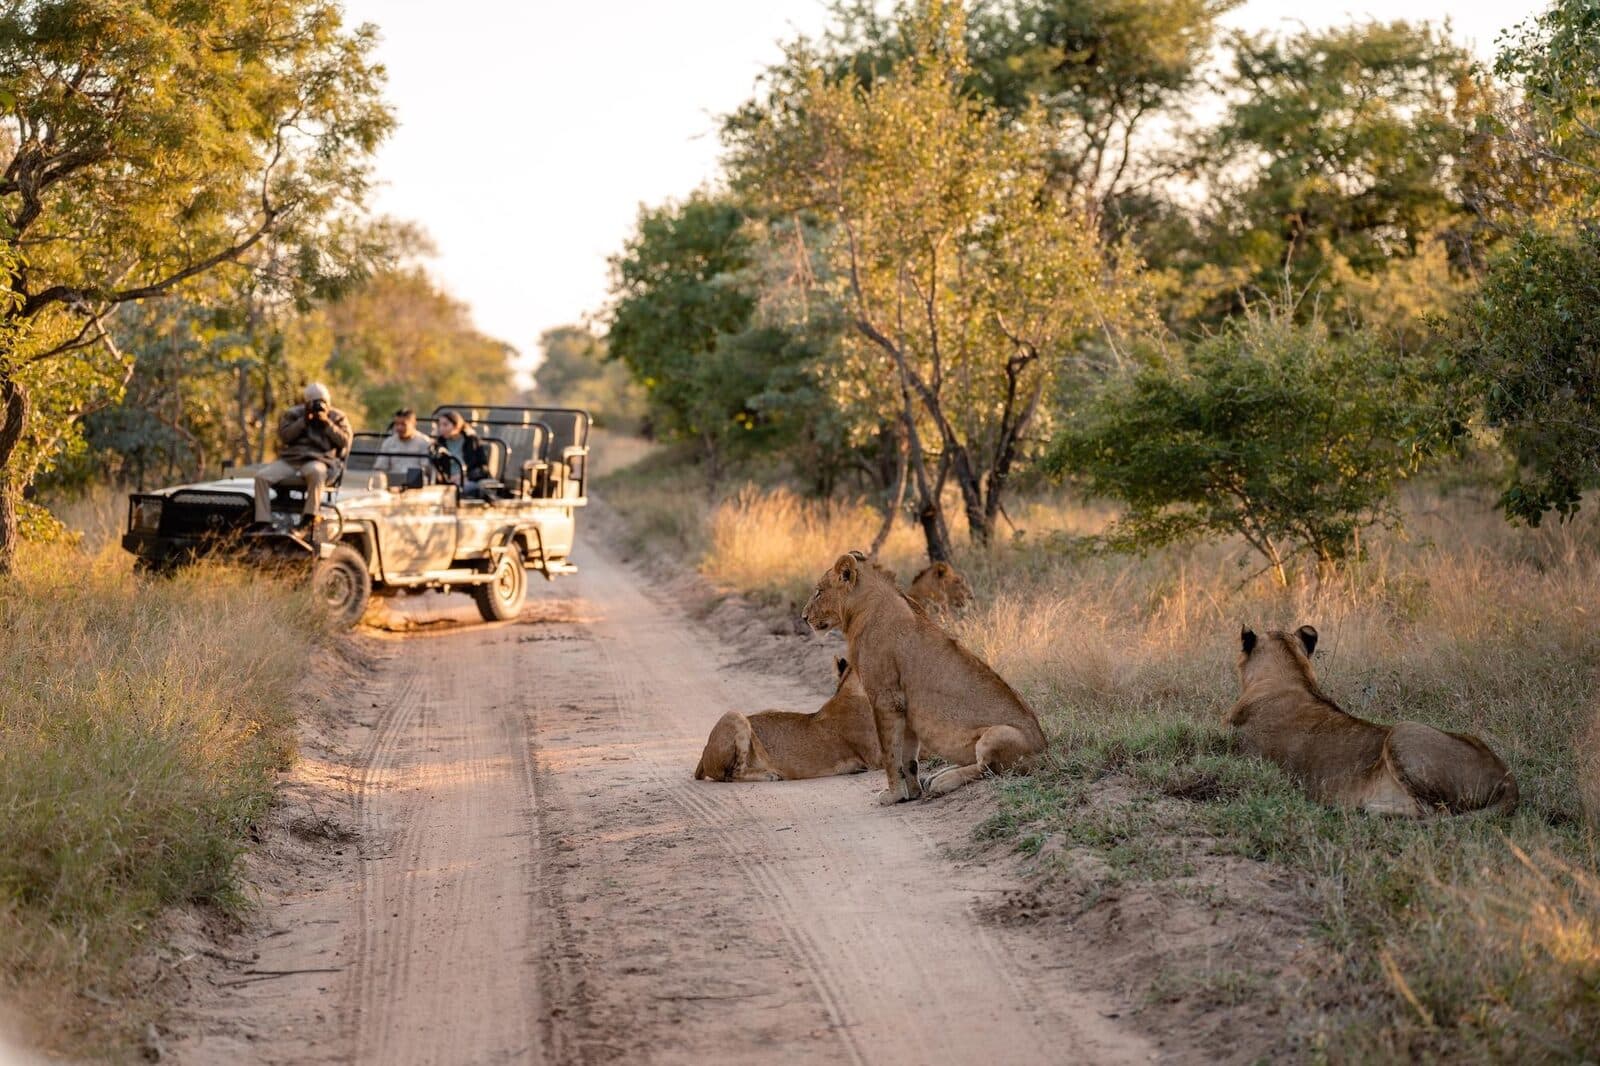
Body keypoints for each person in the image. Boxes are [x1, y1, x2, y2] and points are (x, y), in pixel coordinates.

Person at [253, 383, 353, 529]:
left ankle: (309, 517)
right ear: (305, 402)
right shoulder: (293, 414)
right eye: (314, 402)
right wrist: (304, 421)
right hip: (292, 459)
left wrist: (327, 423)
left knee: (316, 472)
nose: (318, 406)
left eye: (322, 402)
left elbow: (344, 441)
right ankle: (262, 521)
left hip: (320, 459)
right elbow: (285, 437)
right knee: (261, 477)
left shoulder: (337, 417)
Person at [433, 409, 491, 490]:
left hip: (468, 480)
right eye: (439, 425)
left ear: (456, 425)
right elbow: (436, 466)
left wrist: (465, 476)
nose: (441, 429)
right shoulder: (439, 444)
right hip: (447, 483)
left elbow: (483, 468)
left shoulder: (471, 441)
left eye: (445, 425)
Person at [374, 408, 434, 477]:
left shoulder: (424, 442)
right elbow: (380, 468)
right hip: (393, 481)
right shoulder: (389, 442)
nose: (399, 428)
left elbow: (427, 469)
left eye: (403, 424)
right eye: (397, 424)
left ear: (414, 424)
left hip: (416, 481)